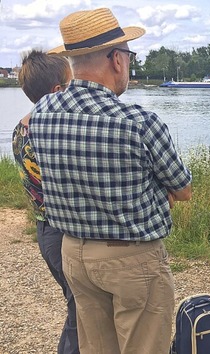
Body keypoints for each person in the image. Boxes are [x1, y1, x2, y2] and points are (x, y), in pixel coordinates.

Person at [28, 8, 192, 354]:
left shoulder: (42, 112)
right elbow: (184, 189)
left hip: (73, 251)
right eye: (129, 57)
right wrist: (156, 192)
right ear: (117, 60)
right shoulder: (138, 122)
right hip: (131, 258)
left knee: (96, 348)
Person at [12, 49, 79, 354]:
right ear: (57, 92)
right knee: (81, 312)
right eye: (71, 83)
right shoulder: (52, 131)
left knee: (77, 305)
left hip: (45, 231)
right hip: (63, 232)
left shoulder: (21, 128)